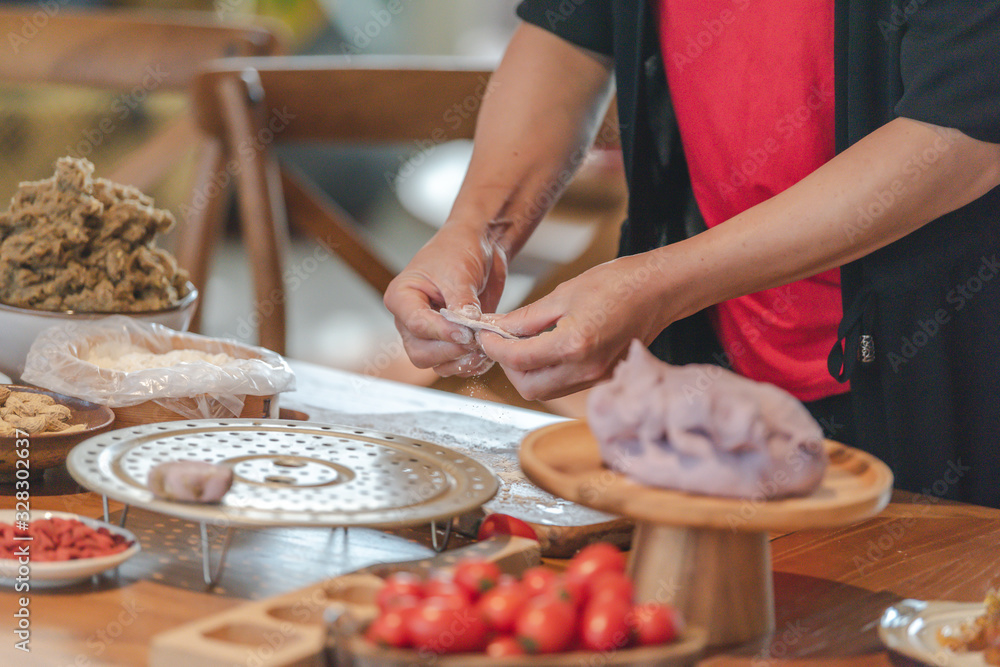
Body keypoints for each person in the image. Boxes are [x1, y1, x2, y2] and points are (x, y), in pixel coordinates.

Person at [383, 2, 1000, 507]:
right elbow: (569, 31)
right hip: (718, 369)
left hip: (948, 373)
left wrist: (662, 283)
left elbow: (963, 133)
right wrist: (477, 232)